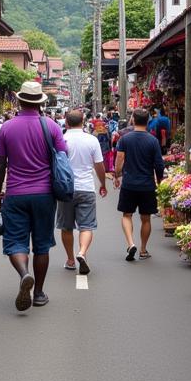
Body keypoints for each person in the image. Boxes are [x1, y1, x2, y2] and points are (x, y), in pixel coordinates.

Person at [0, 83, 67, 312]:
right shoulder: (52, 127)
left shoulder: (6, 128)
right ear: (41, 102)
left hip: (15, 193)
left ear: (19, 100)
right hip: (44, 194)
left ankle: (24, 274)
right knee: (42, 245)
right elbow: (63, 156)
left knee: (15, 241)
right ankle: (40, 293)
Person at [56, 109, 107, 275]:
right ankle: (82, 252)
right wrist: (102, 184)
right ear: (83, 121)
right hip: (86, 187)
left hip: (65, 189)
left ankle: (70, 260)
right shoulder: (92, 140)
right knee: (86, 226)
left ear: (66, 121)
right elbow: (99, 165)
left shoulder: (61, 140)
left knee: (66, 226)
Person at [113, 108, 164, 261]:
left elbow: (119, 160)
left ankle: (130, 243)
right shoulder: (153, 140)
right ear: (148, 121)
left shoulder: (125, 139)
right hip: (147, 185)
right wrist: (159, 181)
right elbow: (159, 164)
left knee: (126, 215)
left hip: (129, 183)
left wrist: (117, 175)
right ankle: (143, 249)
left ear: (133, 120)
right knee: (146, 218)